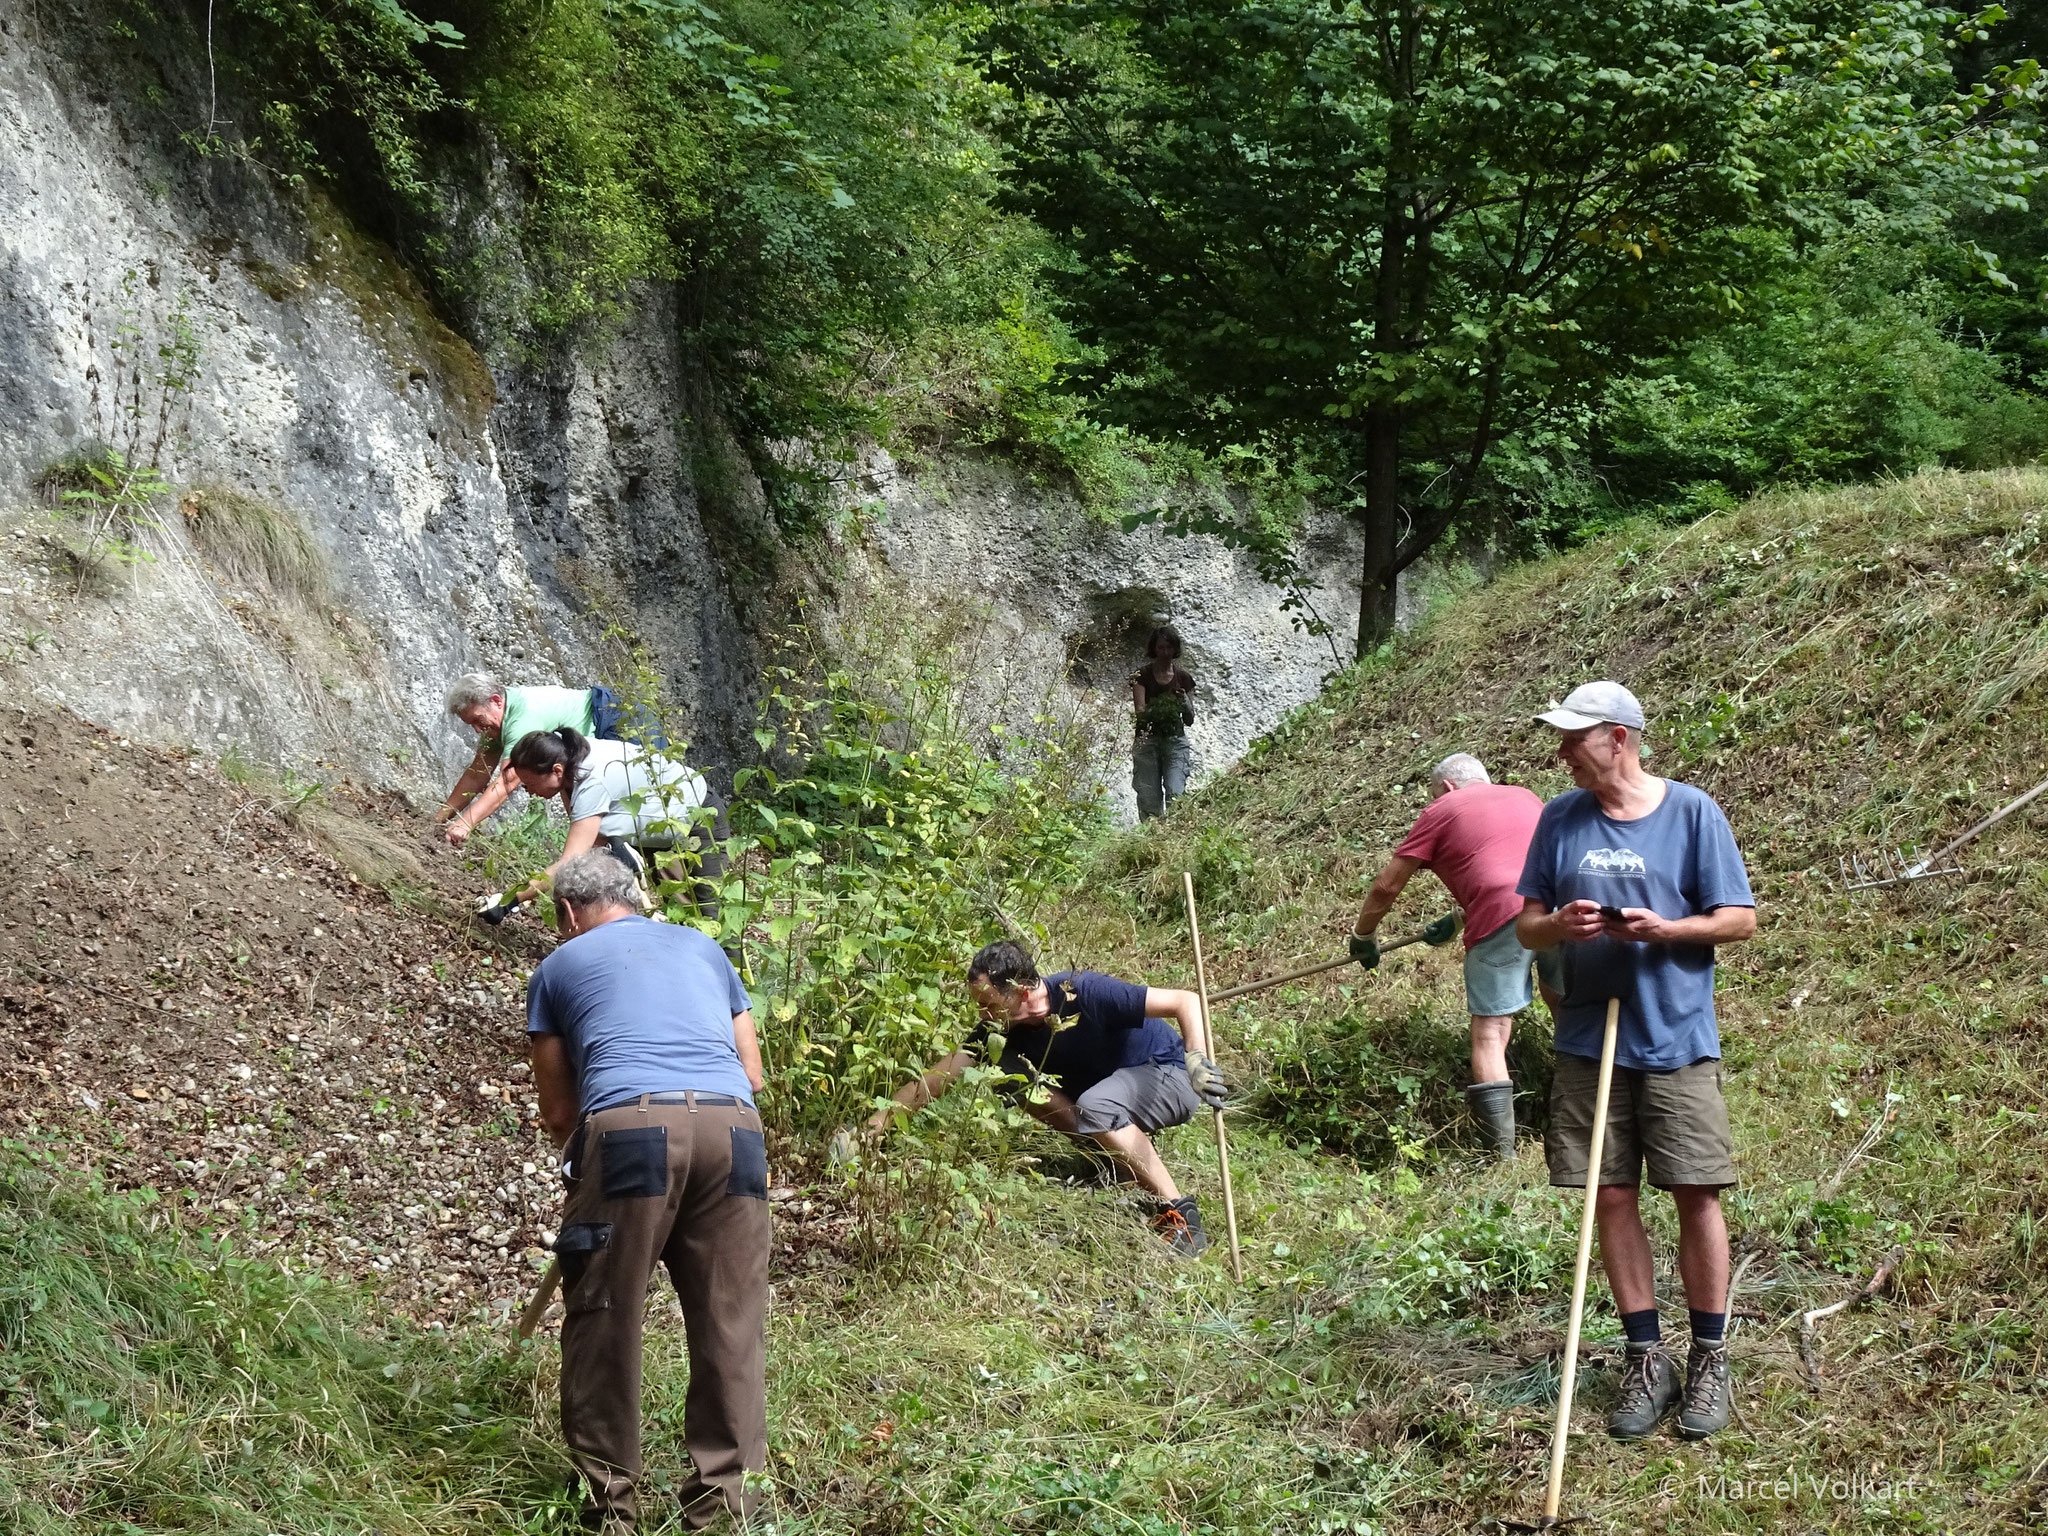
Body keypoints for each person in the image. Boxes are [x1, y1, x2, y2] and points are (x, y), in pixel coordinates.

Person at [1513, 681, 1756, 1444]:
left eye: (1574, 738)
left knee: (1695, 1193)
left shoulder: (1692, 812)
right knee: (1608, 1197)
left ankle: (1710, 1358)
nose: (1561, 753)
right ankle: (1646, 1358)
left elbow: (1739, 920)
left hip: (1676, 1037)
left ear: (1618, 737)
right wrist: (1562, 924)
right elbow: (1525, 929)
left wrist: (1667, 930)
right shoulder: (1559, 818)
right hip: (1590, 1040)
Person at [526, 851, 769, 1531]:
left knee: (605, 1314)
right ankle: (723, 1509)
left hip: (631, 1128)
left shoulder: (557, 968)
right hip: (736, 1133)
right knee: (731, 1320)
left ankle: (611, 1512)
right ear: (631, 896)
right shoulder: (704, 947)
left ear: (570, 912)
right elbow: (751, 1072)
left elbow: (558, 1113)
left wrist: (589, 1193)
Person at [855, 940, 1229, 1255]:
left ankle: (1180, 1218)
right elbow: (943, 1072)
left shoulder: (1082, 990)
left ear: (1019, 991)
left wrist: (1196, 1059)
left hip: (1169, 1075)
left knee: (1097, 1105)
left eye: (988, 1004)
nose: (983, 1014)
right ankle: (1111, 1163)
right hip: (1109, 1095)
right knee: (1008, 1071)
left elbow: (1186, 1001)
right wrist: (877, 1122)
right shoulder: (1002, 1027)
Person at [1348, 752, 1546, 1159]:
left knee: (1490, 1033)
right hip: (1563, 905)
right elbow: (1510, 862)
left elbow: (1387, 885)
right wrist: (1457, 919)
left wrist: (1363, 934)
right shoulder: (1525, 796)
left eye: (1434, 793)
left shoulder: (1444, 807)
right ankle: (1592, 1117)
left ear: (1448, 788)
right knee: (1571, 1008)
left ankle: (1501, 1157)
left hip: (1499, 914)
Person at [496, 727, 723, 917]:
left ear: (556, 771)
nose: (528, 791)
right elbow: (588, 832)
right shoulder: (566, 755)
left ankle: (732, 968)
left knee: (704, 910)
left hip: (697, 813)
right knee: (677, 909)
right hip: (657, 823)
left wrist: (511, 900)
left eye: (528, 783)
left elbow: (568, 863)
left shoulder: (591, 781)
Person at [438, 674, 660, 846]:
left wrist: (466, 823)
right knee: (571, 791)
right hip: (597, 736)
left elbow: (507, 781)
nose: (478, 731)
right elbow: (477, 773)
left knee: (638, 817)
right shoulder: (496, 722)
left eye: (478, 720)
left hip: (622, 723)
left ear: (496, 701)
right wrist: (438, 820)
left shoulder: (523, 719)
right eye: (472, 725)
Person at [1130, 625, 1196, 820]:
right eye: (1161, 648)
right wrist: (1159, 710)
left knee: (1176, 794)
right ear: (1154, 649)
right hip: (1147, 742)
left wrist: (1183, 701)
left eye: (1169, 648)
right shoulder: (1141, 676)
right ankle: (1151, 841)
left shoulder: (1184, 679)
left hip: (1175, 742)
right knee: (1148, 798)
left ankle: (1174, 841)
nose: (1165, 652)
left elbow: (1190, 719)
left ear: (1175, 650)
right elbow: (1140, 713)